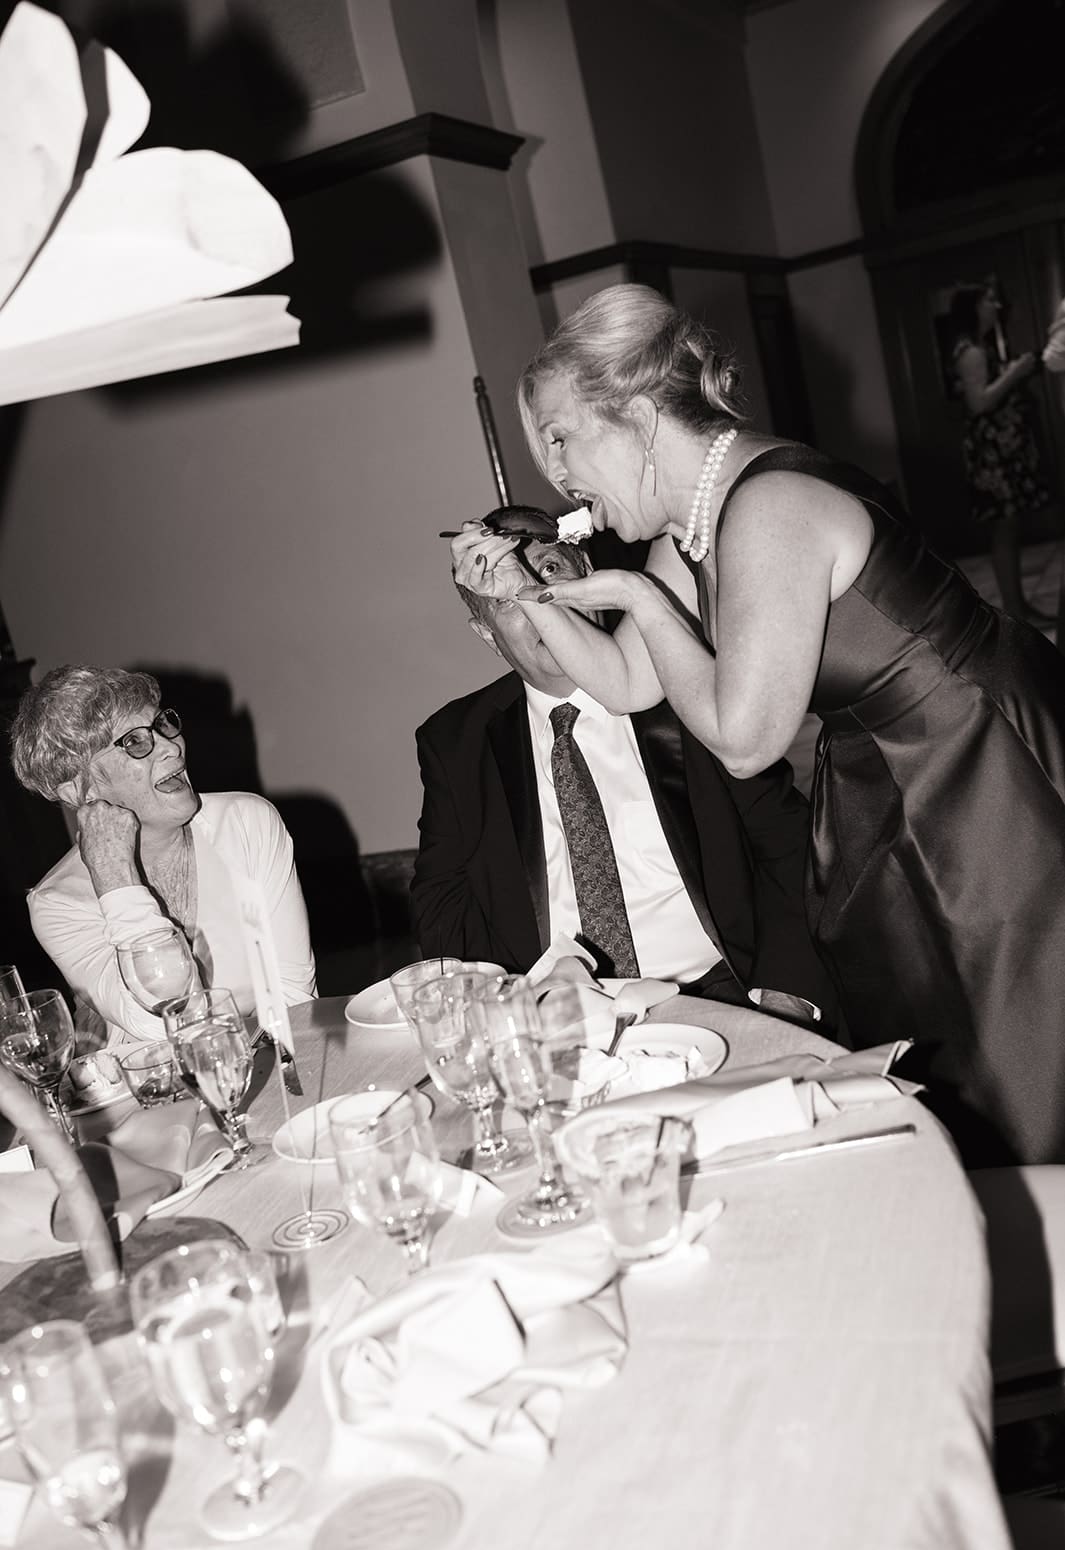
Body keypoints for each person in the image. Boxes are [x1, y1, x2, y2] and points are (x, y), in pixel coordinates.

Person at [451, 283, 1065, 1167]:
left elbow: (743, 741)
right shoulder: (693, 517)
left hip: (974, 769)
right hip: (888, 771)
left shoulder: (768, 506)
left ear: (632, 413)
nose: (554, 475)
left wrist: (631, 593)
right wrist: (526, 596)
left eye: (559, 435)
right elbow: (627, 682)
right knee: (954, 1046)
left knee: (1019, 1046)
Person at [414, 535, 839, 1034]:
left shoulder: (685, 688)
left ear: (589, 573)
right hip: (556, 1015)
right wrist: (507, 1011)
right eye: (507, 598)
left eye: (549, 570)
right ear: (486, 633)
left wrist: (786, 994)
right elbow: (442, 902)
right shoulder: (457, 739)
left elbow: (786, 843)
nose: (538, 600)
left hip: (723, 992)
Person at [10, 665, 316, 1049]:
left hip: (274, 1066)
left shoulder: (246, 823)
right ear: (77, 790)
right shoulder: (58, 902)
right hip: (161, 1094)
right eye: (135, 742)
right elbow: (165, 1023)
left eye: (162, 725)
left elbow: (293, 997)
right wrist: (115, 878)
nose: (173, 746)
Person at [949, 282, 1051, 623]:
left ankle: (1018, 604)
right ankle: (1015, 609)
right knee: (1004, 528)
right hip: (991, 453)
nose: (997, 305)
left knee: (1010, 527)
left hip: (999, 450)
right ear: (974, 308)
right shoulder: (971, 351)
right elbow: (978, 404)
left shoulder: (979, 346)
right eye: (990, 300)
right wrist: (1015, 374)